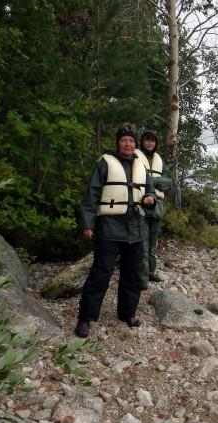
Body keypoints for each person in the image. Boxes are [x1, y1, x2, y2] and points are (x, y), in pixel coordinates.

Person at [74, 125, 156, 338]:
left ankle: (127, 313)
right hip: (110, 226)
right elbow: (91, 194)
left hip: (136, 226)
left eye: (131, 141)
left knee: (133, 274)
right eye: (124, 140)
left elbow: (149, 192)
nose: (128, 144)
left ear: (135, 144)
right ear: (118, 143)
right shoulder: (104, 163)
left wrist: (150, 199)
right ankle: (86, 318)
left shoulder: (141, 165)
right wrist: (88, 224)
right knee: (101, 273)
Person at [135, 130, 170, 287]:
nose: (149, 143)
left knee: (152, 242)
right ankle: (141, 277)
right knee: (142, 242)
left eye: (152, 141)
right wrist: (155, 182)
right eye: (147, 140)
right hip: (140, 203)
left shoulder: (159, 160)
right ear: (142, 142)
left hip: (157, 205)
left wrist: (151, 181)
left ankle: (150, 272)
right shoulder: (135, 157)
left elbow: (168, 182)